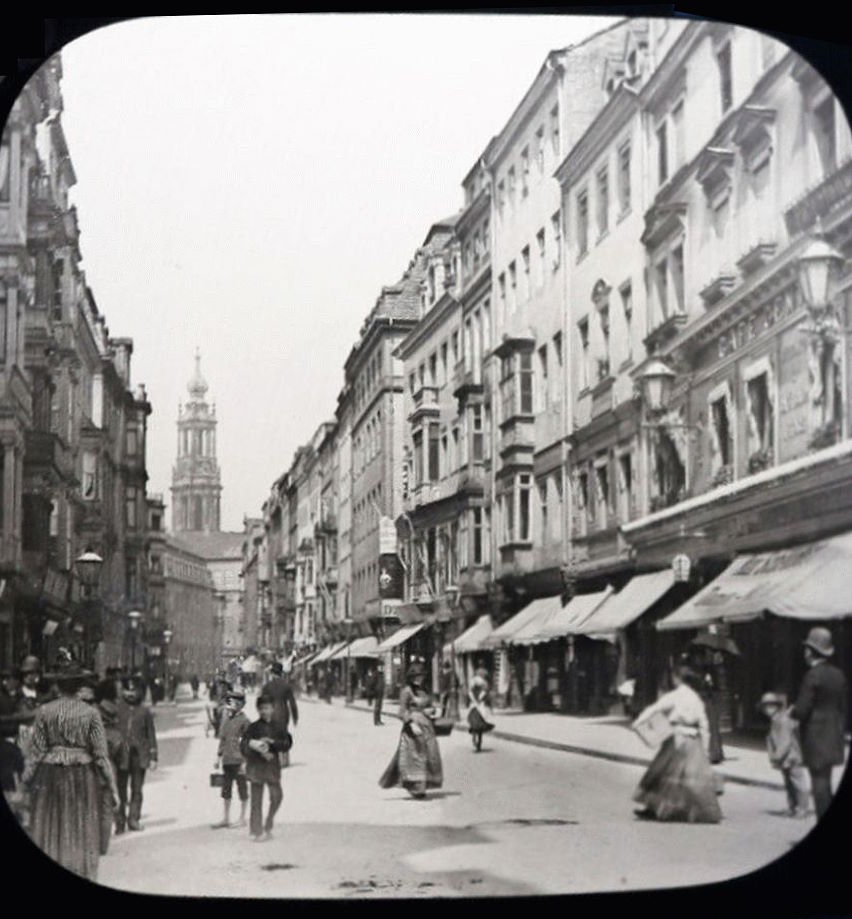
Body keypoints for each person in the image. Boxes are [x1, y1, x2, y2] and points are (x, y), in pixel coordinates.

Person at [21, 666, 119, 881]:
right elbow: (101, 756)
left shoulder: (44, 712)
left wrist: (26, 781)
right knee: (81, 828)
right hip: (82, 776)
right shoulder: (91, 713)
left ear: (57, 686)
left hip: (50, 777)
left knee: (51, 826)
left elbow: (35, 752)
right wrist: (112, 787)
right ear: (79, 687)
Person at [631, 664, 722, 823]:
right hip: (693, 741)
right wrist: (706, 749)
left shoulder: (675, 696)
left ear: (677, 678)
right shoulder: (696, 698)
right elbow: (704, 725)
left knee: (661, 773)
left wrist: (638, 722)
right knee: (689, 780)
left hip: (676, 737)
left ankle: (656, 809)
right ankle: (693, 811)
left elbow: (654, 709)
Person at [791, 627, 848, 821]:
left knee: (819, 786)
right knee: (827, 782)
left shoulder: (812, 675)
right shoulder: (839, 675)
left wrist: (792, 711)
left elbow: (801, 710)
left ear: (810, 651)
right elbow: (843, 706)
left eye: (806, 648)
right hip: (834, 733)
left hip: (815, 736)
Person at [378, 661, 443, 798]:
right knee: (415, 757)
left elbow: (430, 705)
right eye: (416, 676)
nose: (419, 679)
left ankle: (424, 784)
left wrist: (431, 710)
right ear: (411, 677)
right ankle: (416, 787)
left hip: (426, 726)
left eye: (421, 676)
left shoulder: (424, 690)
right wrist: (411, 724)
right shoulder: (406, 691)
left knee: (429, 755)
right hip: (412, 728)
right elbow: (401, 712)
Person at [240, 694, 290, 842]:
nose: (264, 711)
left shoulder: (279, 727)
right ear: (258, 710)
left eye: (267, 708)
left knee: (277, 797)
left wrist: (272, 743)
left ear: (273, 709)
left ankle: (268, 822)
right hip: (256, 767)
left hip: (272, 767)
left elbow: (287, 743)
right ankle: (257, 831)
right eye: (261, 709)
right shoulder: (253, 727)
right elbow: (243, 746)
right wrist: (256, 747)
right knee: (256, 801)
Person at [115, 676, 158, 833]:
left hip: (139, 757)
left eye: (134, 690)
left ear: (139, 692)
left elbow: (151, 734)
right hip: (121, 756)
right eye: (128, 690)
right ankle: (119, 821)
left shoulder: (145, 711)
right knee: (120, 790)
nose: (131, 694)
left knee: (137, 789)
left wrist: (153, 756)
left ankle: (134, 819)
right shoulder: (117, 709)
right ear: (123, 691)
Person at [758, 692, 809, 818]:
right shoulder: (775, 720)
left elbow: (785, 741)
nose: (767, 709)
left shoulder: (783, 720)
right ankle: (792, 807)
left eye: (770, 706)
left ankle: (802, 808)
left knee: (798, 783)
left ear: (776, 706)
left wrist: (776, 756)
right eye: (765, 707)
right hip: (785, 758)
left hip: (791, 757)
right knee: (788, 783)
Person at [96, 687, 128, 855]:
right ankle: (103, 845)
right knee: (107, 806)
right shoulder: (116, 734)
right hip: (109, 770)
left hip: (90, 770)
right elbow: (122, 760)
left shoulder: (90, 730)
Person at [213, 687, 250, 829]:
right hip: (227, 760)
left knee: (242, 790)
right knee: (226, 790)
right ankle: (226, 818)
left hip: (239, 760)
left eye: (233, 702)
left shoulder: (245, 721)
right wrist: (217, 757)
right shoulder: (226, 719)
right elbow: (222, 739)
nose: (230, 705)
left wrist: (246, 762)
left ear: (240, 704)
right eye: (230, 701)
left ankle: (242, 818)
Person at [467, 666, 495, 752]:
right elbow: (484, 694)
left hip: (476, 704)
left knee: (474, 720)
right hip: (479, 704)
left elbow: (470, 692)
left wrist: (474, 700)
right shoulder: (484, 683)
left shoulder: (473, 681)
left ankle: (476, 739)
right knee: (480, 722)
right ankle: (478, 741)